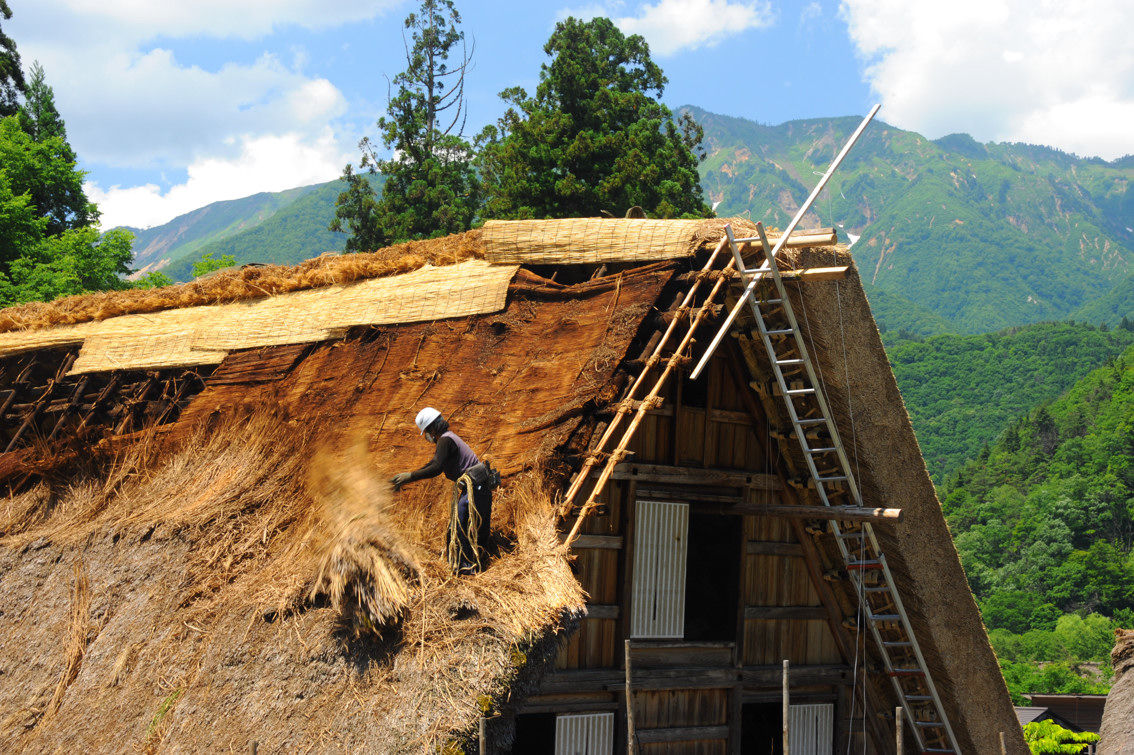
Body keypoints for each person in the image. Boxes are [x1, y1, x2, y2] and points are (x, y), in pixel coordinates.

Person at [390, 407, 497, 574]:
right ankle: (473, 566)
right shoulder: (448, 439)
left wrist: (410, 476)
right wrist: (407, 477)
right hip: (478, 489)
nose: (426, 436)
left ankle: (465, 572)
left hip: (476, 489)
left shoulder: (445, 440)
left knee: (459, 529)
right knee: (468, 528)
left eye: (425, 432)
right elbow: (433, 463)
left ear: (432, 429)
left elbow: (436, 468)